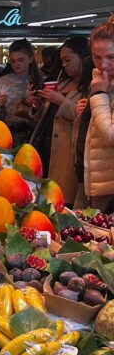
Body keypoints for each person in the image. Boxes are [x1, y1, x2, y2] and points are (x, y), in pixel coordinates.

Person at [30, 36, 91, 206]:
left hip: (68, 153)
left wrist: (61, 101)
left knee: (61, 201)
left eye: (68, 60)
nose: (64, 64)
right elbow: (48, 117)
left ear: (83, 57)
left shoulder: (91, 87)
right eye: (62, 60)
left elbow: (86, 120)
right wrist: (37, 105)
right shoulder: (62, 81)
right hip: (47, 148)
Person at [74, 17, 114, 210]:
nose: (103, 64)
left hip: (109, 185)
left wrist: (98, 96)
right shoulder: (100, 79)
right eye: (97, 57)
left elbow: (110, 136)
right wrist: (86, 113)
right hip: (90, 175)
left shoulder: (100, 85)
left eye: (111, 57)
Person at [0, 39, 42, 139]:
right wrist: (1, 105)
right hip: (7, 132)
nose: (16, 64)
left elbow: (45, 114)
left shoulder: (40, 81)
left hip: (33, 133)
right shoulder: (3, 81)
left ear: (30, 59)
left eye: (21, 60)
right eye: (13, 61)